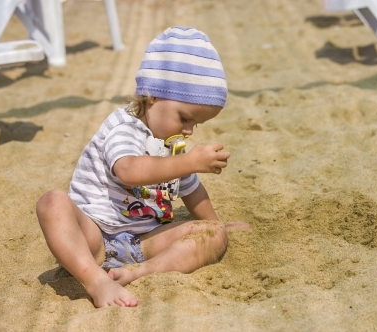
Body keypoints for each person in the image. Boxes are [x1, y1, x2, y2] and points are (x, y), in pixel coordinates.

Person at [36, 26, 248, 308]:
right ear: (153, 97)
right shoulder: (123, 128)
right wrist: (188, 162)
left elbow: (193, 192)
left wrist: (216, 224)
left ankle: (139, 272)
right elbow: (128, 170)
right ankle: (95, 281)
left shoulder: (172, 145)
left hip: (145, 242)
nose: (188, 131)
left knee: (212, 235)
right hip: (94, 236)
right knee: (52, 202)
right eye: (184, 118)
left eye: (196, 124)